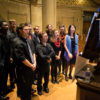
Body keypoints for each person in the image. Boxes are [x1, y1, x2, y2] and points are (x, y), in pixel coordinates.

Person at [13, 23, 36, 100]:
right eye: (25, 30)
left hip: (30, 67)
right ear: (20, 30)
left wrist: (34, 63)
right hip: (22, 69)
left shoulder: (28, 39)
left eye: (28, 29)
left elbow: (33, 52)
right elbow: (22, 58)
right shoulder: (17, 41)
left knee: (29, 86)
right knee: (23, 88)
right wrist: (31, 65)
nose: (27, 31)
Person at [0, 21, 10, 100]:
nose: (7, 26)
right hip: (1, 61)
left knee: (5, 76)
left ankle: (4, 88)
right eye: (5, 25)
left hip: (6, 60)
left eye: (7, 25)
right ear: (0, 27)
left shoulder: (6, 36)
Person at [7, 19, 17, 89]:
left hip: (15, 53)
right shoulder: (7, 33)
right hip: (10, 54)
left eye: (14, 24)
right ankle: (11, 82)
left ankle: (15, 79)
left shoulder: (15, 32)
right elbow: (9, 46)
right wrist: (10, 56)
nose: (14, 25)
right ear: (9, 24)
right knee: (11, 69)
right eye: (12, 24)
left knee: (15, 68)